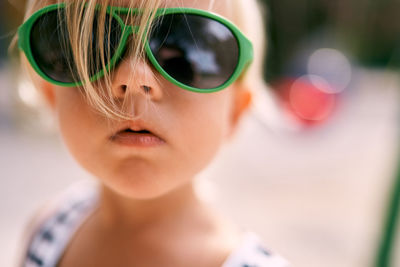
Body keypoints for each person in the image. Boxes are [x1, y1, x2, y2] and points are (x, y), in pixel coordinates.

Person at [11, 0, 290, 266]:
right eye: (93, 50)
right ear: (50, 94)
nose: (132, 78)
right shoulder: (49, 230)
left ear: (235, 112)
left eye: (182, 54)